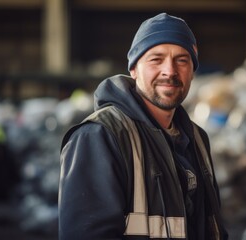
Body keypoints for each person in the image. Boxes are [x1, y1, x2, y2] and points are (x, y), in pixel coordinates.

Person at [59, 12, 228, 240]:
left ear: (192, 71)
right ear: (134, 69)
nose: (169, 71)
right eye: (156, 59)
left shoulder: (197, 139)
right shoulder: (100, 136)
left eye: (181, 60)